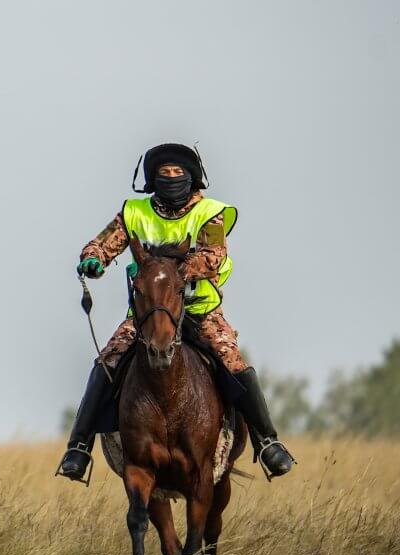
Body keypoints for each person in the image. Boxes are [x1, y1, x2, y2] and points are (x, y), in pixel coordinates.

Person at [57, 143, 297, 482]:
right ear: (152, 179)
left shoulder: (209, 212)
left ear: (191, 177)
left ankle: (268, 442)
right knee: (105, 363)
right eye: (163, 174)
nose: (170, 179)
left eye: (177, 173)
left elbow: (213, 256)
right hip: (146, 314)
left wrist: (172, 273)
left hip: (200, 310)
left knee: (235, 364)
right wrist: (92, 260)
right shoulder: (134, 212)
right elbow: (101, 244)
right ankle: (77, 448)